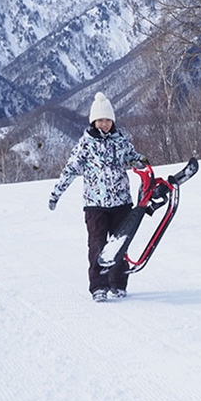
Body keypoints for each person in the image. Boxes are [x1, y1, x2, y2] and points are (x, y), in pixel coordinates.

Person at [48, 91, 149, 302]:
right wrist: (56, 194)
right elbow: (70, 170)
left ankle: (118, 283)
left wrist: (140, 160)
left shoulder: (120, 140)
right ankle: (98, 286)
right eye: (100, 120)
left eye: (107, 120)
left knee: (120, 243)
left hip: (121, 202)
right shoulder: (86, 144)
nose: (104, 124)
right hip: (95, 205)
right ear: (94, 122)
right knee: (97, 244)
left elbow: (132, 156)